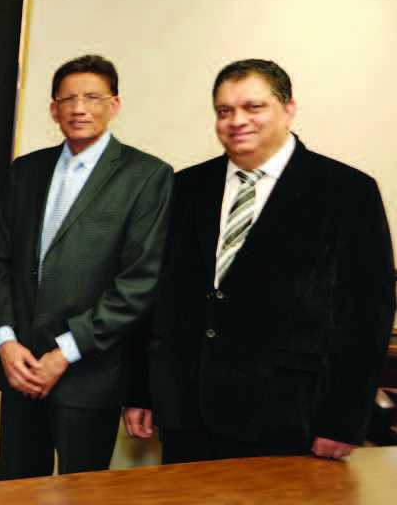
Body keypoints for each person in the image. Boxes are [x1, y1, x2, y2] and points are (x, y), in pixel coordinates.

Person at [127, 59, 395, 463]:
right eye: (224, 110)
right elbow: (157, 295)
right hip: (187, 412)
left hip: (289, 418)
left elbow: (366, 316)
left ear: (289, 108)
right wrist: (141, 391)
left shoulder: (346, 191)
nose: (237, 121)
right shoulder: (185, 186)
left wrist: (342, 420)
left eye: (254, 107)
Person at [0, 54, 171, 479]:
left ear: (115, 104)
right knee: (15, 490)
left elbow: (138, 284)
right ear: (53, 109)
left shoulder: (147, 176)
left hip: (89, 374)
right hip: (20, 370)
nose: (78, 108)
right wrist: (7, 341)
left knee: (80, 494)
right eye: (67, 99)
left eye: (92, 97)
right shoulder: (26, 170)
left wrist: (64, 353)